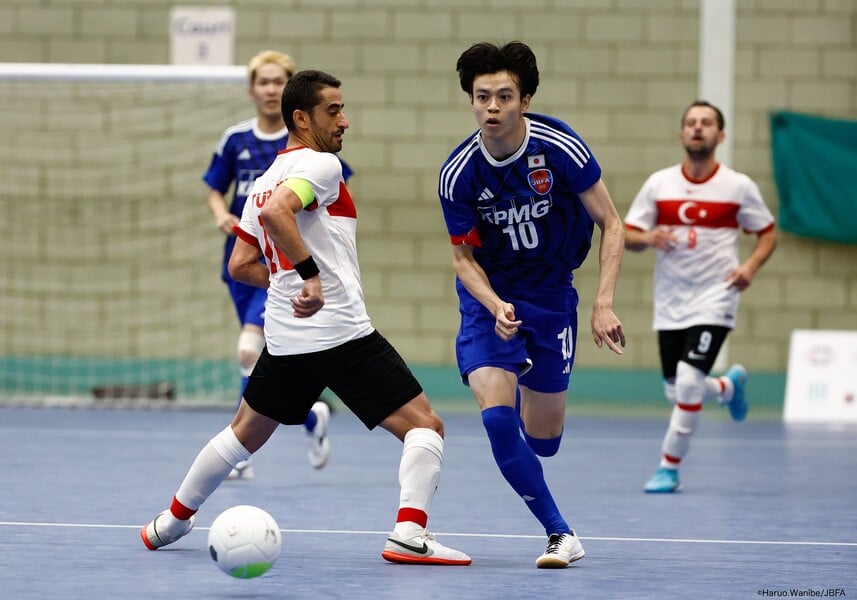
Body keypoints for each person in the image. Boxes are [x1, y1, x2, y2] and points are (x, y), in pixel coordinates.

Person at [142, 70, 471, 566]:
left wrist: (288, 283)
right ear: (301, 118)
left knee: (241, 434)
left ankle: (170, 521)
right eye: (333, 110)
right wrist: (311, 278)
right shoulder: (321, 165)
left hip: (287, 339)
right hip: (342, 333)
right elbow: (279, 213)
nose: (345, 120)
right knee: (426, 426)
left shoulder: (261, 182)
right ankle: (409, 533)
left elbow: (240, 266)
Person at [437, 41, 626, 568]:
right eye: (482, 97)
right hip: (490, 300)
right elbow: (462, 259)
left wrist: (603, 304)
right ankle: (561, 533)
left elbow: (612, 223)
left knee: (543, 441)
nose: (492, 107)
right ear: (470, 102)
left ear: (524, 100)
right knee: (498, 422)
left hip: (551, 295)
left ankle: (520, 378)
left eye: (504, 96)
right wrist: (494, 304)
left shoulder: (560, 148)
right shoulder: (459, 173)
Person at [202, 50, 351, 477]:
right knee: (266, 359)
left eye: (278, 82)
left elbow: (334, 194)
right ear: (251, 89)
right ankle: (310, 416)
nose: (270, 89)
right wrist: (221, 215)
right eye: (262, 81)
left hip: (289, 265)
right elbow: (215, 189)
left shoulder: (310, 146)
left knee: (250, 350)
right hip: (244, 261)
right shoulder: (235, 139)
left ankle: (238, 451)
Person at [624, 100, 777, 494]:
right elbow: (626, 235)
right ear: (681, 134)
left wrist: (750, 267)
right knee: (675, 390)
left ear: (720, 135)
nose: (697, 128)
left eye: (706, 123)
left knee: (690, 384)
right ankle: (726, 388)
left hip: (716, 296)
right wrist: (649, 237)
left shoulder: (738, 186)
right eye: (691, 122)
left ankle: (668, 468)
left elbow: (768, 233)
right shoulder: (659, 184)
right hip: (671, 301)